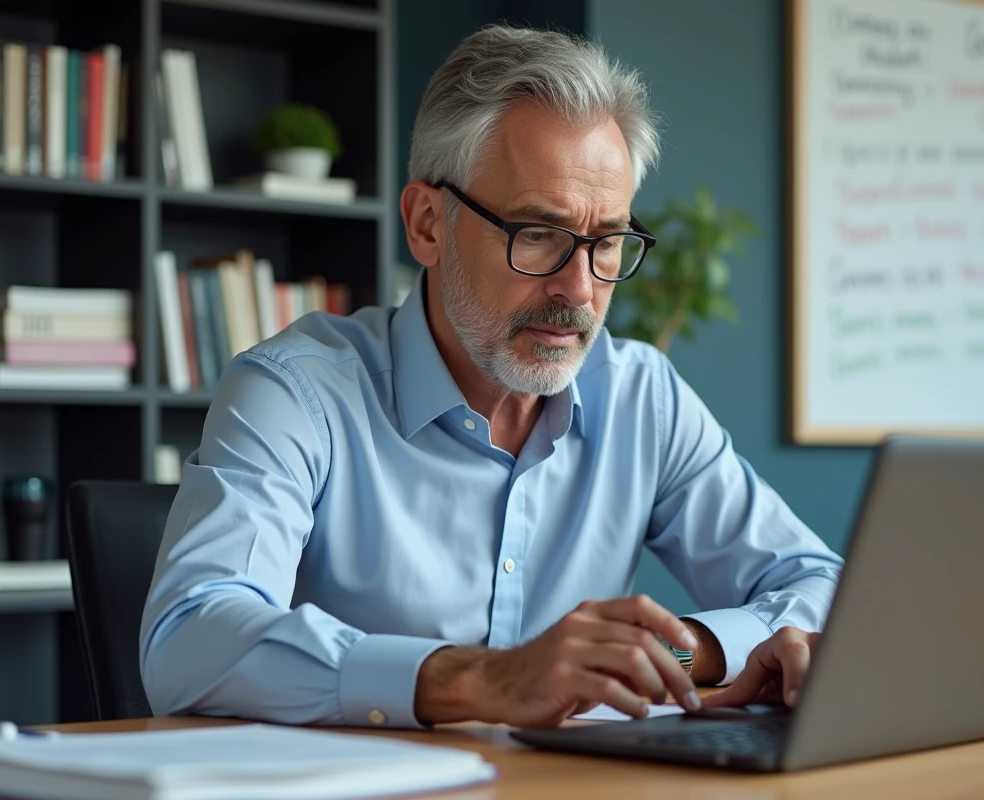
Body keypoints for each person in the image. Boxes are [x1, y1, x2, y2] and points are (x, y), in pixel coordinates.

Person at [139, 24, 843, 731]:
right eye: (537, 234)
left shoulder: (639, 396)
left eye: (607, 243)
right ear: (426, 225)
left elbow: (823, 585)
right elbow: (189, 638)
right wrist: (481, 680)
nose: (579, 287)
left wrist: (679, 654)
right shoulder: (297, 393)